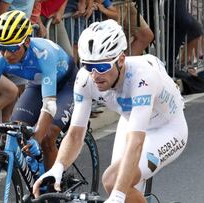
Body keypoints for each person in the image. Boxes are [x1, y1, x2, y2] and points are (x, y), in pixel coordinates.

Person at [33, 19, 188, 203]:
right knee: (114, 186)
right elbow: (75, 134)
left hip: (167, 128)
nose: (95, 75)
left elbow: (136, 142)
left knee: (114, 182)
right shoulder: (85, 78)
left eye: (102, 67)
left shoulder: (142, 78)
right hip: (132, 120)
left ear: (121, 60)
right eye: (88, 66)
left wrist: (118, 195)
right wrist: (58, 168)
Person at [0, 10, 78, 171]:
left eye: (13, 48)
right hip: (38, 84)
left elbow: (49, 104)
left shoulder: (43, 54)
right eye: (1, 47)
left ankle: (53, 190)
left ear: (26, 42)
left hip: (66, 84)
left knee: (47, 137)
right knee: (17, 130)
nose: (6, 54)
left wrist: (37, 138)